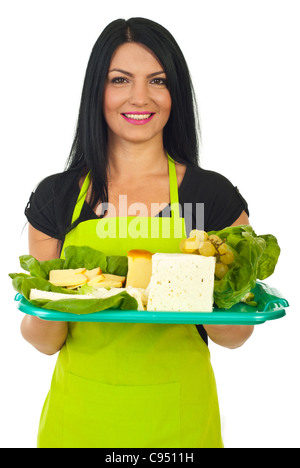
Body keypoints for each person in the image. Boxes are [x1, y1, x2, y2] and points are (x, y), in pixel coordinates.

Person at [21, 17, 253, 448]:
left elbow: (237, 335)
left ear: (174, 93)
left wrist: (197, 286)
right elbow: (44, 342)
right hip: (81, 417)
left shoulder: (212, 196)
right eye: (120, 79)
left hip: (179, 419)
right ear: (98, 91)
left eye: (157, 80)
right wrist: (52, 304)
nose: (139, 97)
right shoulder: (56, 197)